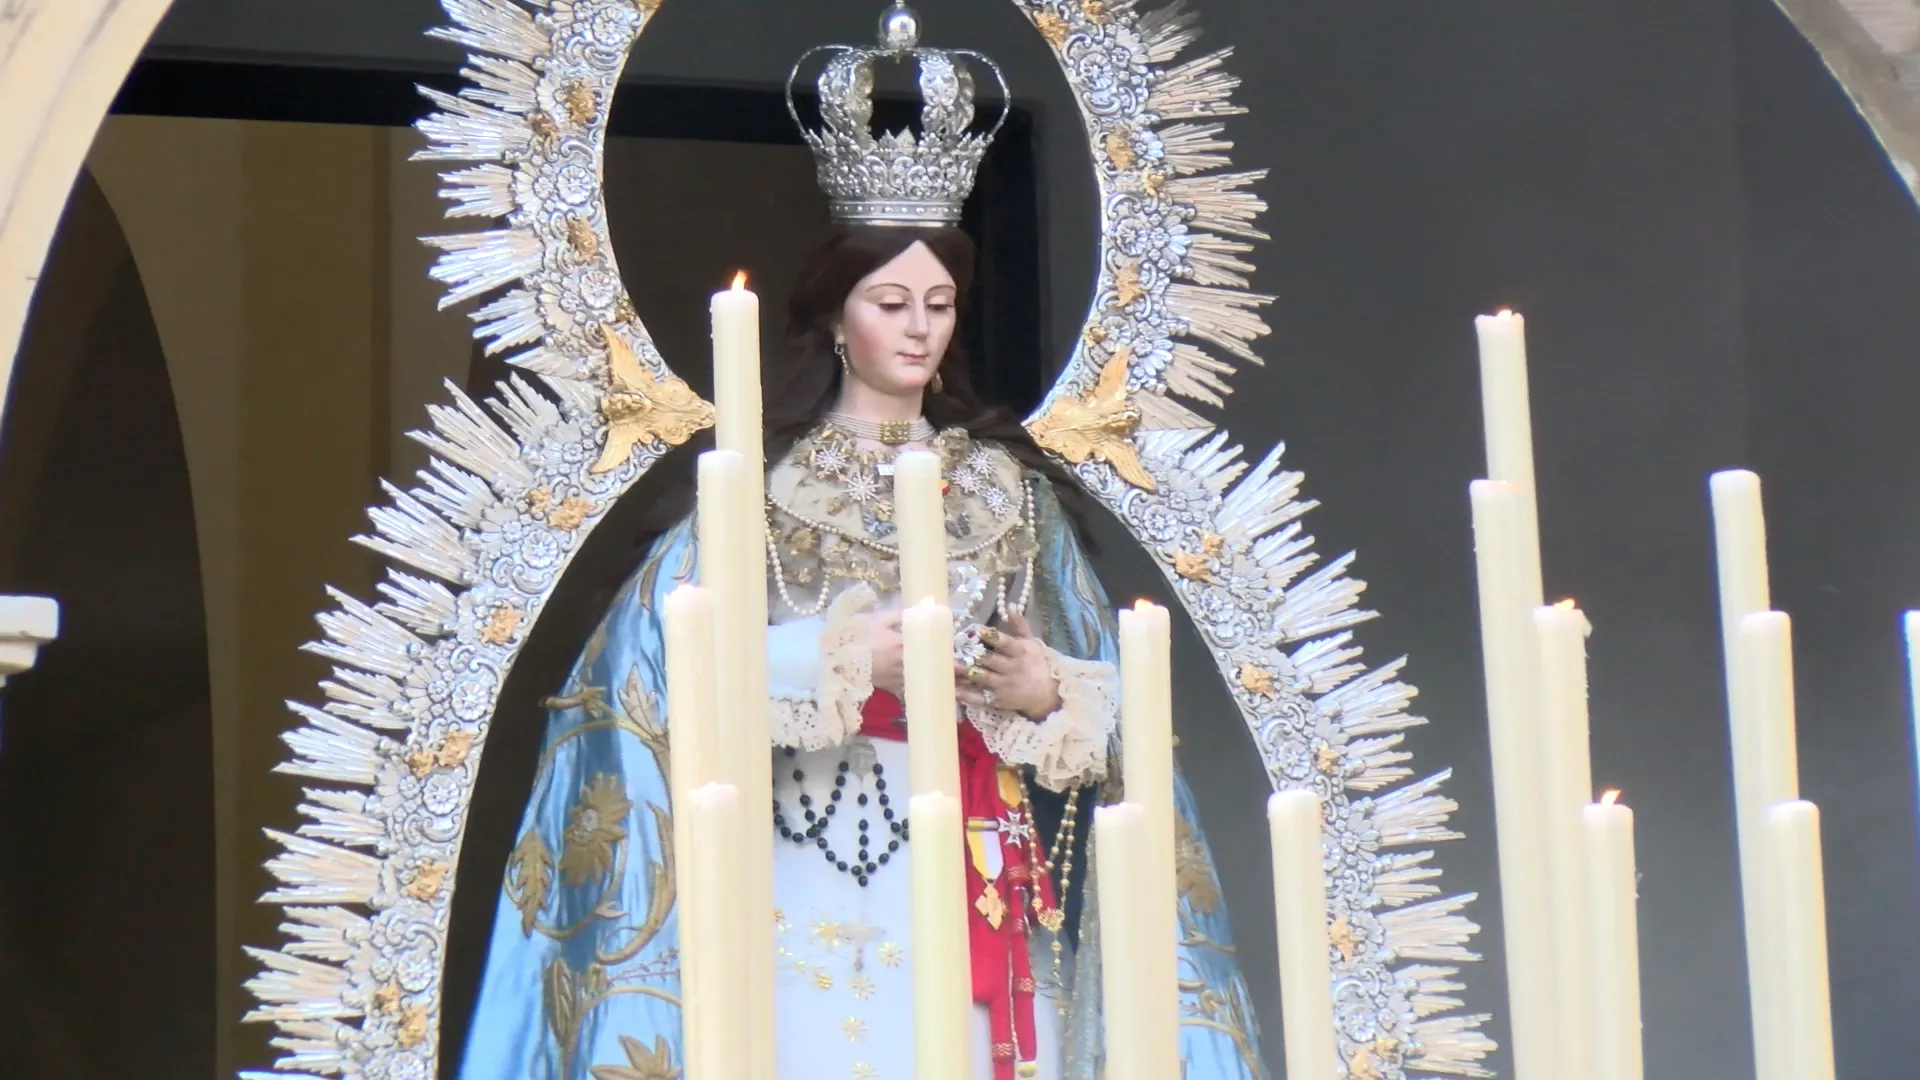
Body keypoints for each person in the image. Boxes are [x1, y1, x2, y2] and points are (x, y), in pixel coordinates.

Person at [457, 15, 1269, 1080]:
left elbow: (1114, 694)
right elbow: (652, 675)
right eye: (891, 302)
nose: (919, 327)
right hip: (805, 853)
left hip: (977, 860)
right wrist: (834, 662)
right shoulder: (759, 485)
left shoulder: (1006, 490)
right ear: (838, 317)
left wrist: (1044, 689)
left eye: (940, 304)